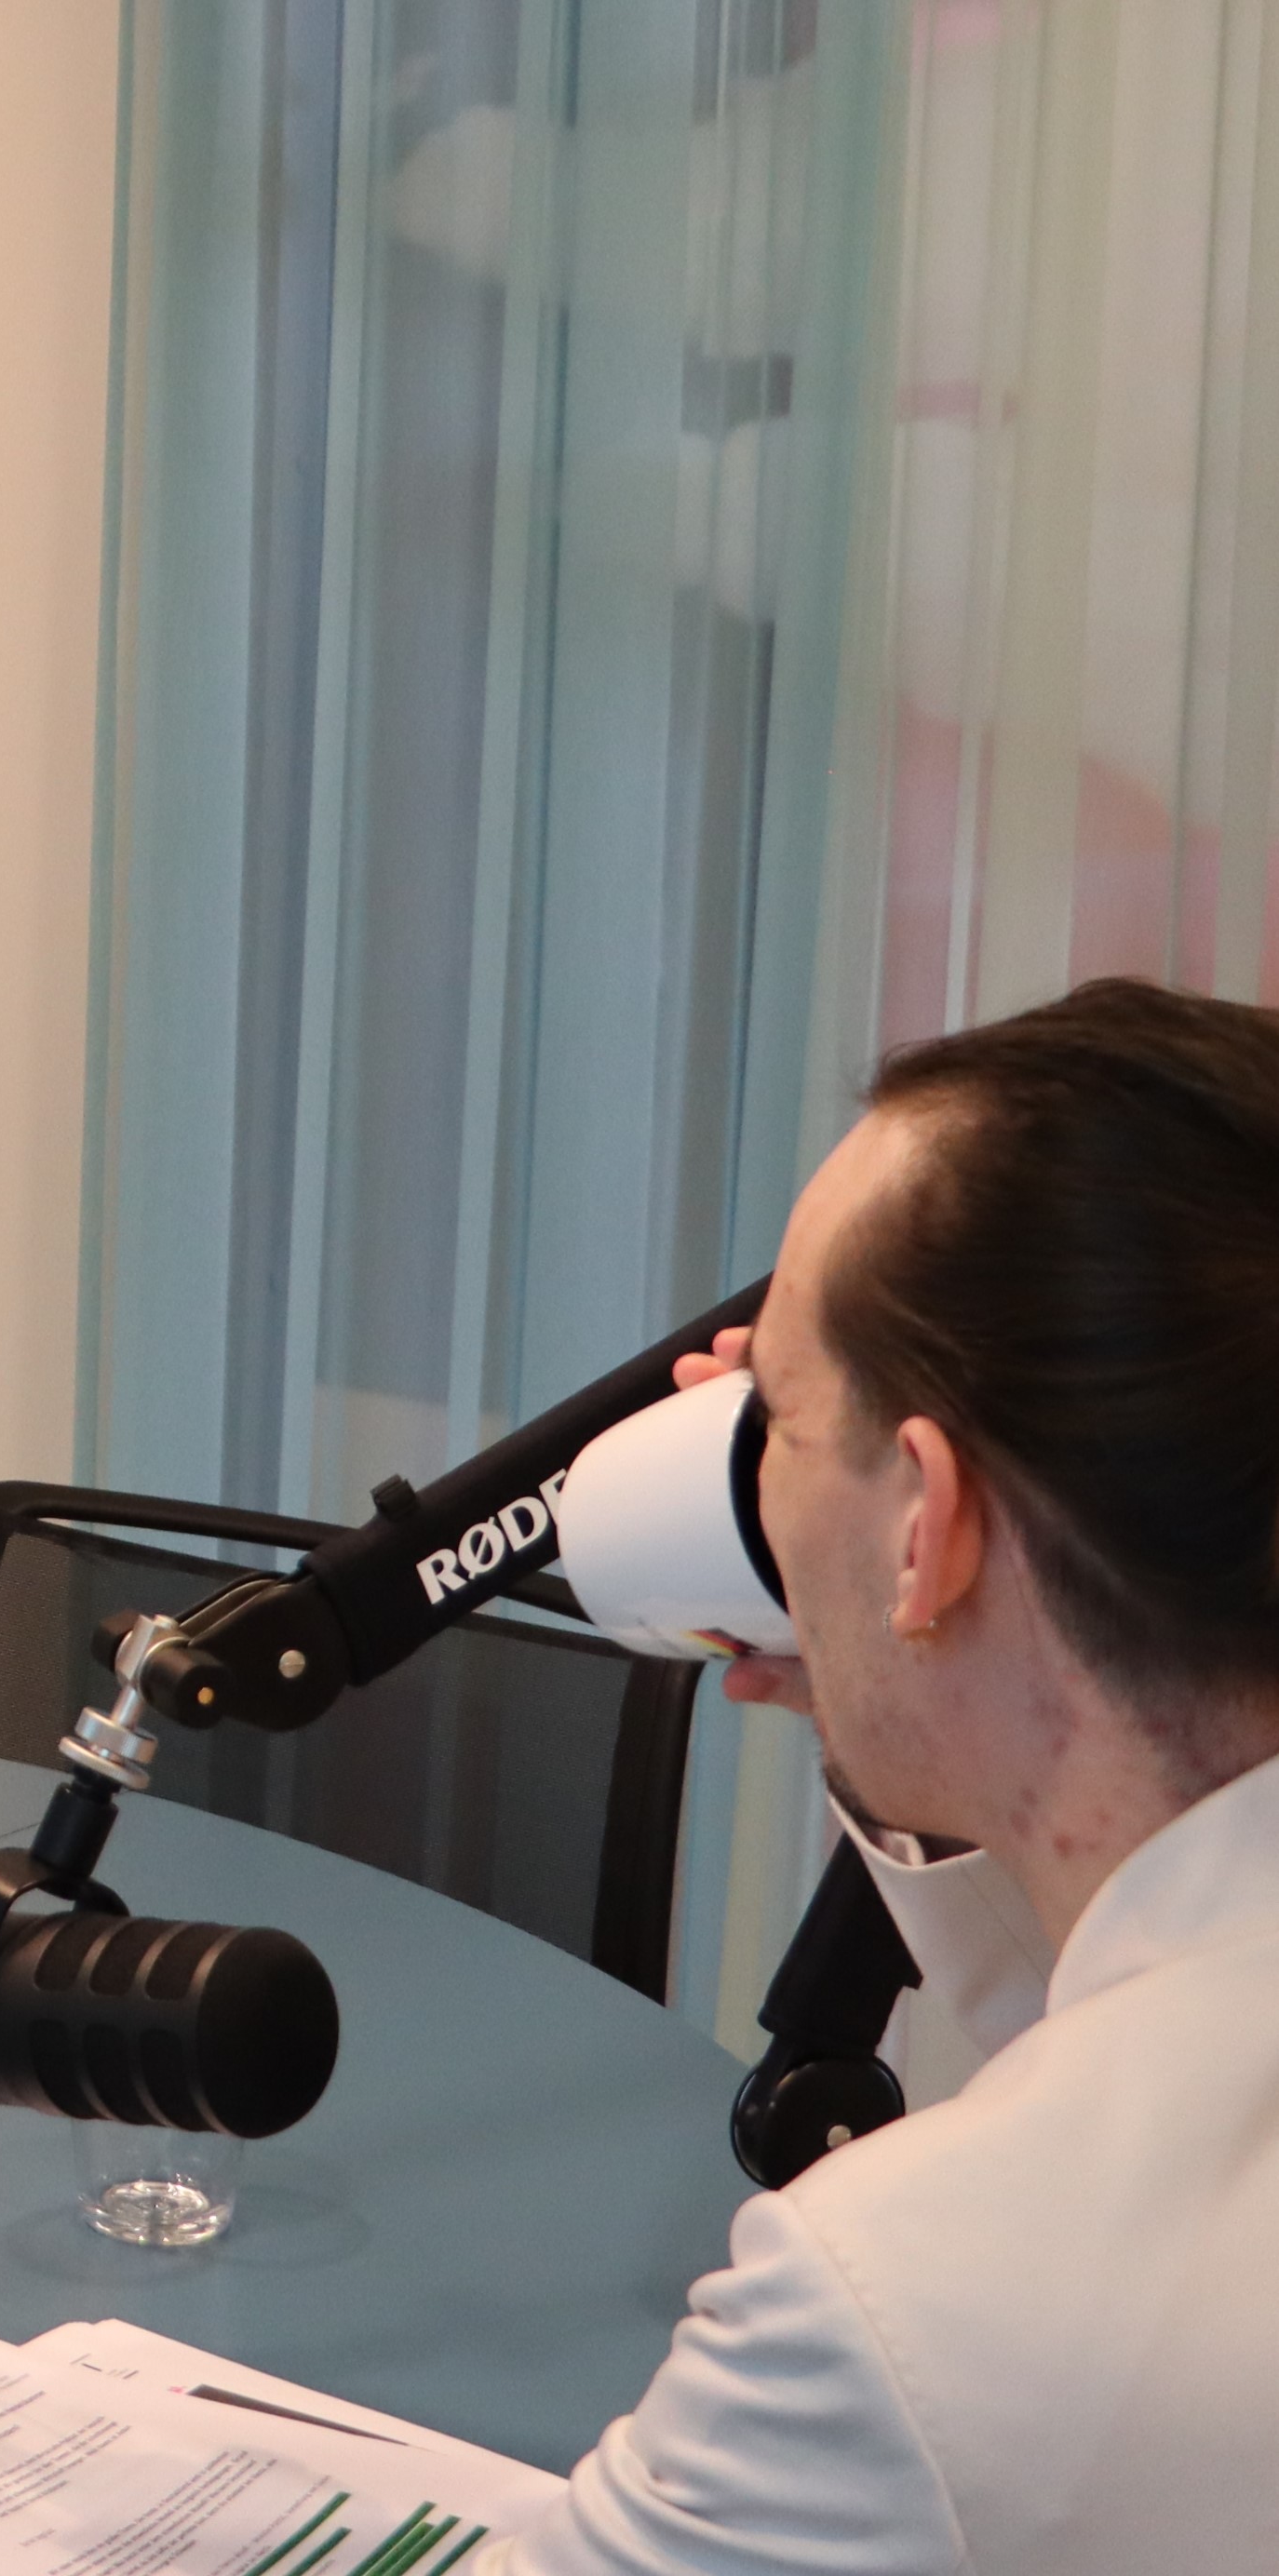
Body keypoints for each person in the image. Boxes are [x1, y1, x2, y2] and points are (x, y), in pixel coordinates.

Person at [508, 978, 1279, 2569]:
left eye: (775, 1411)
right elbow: (1149, 2051)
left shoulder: (893, 2308)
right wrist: (901, 1668)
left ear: (926, 1518)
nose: (748, 1460)